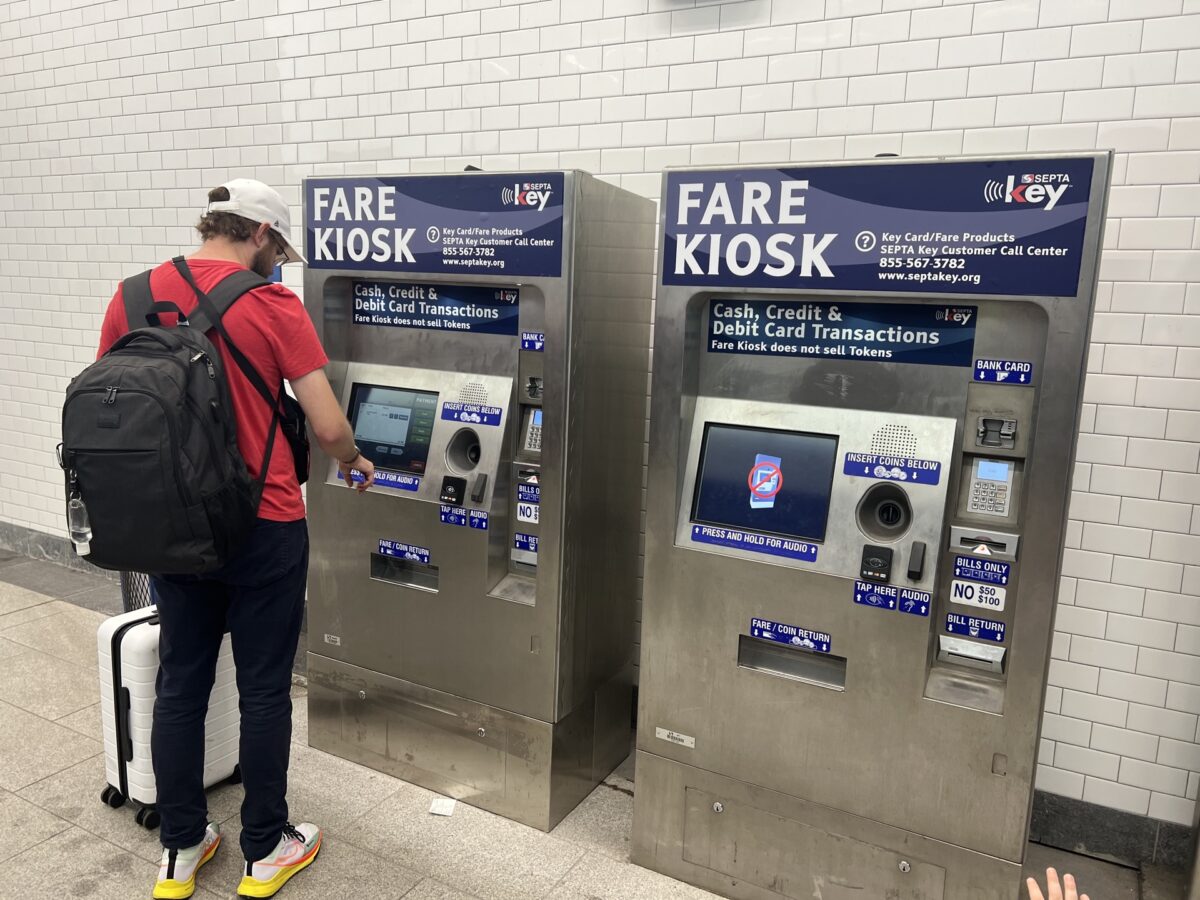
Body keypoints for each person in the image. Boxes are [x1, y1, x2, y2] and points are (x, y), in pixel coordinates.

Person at [97, 179, 376, 899]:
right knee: (263, 690)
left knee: (181, 684)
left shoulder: (128, 297)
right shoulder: (272, 304)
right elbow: (327, 423)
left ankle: (181, 849)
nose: (279, 261)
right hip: (265, 525)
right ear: (258, 234)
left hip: (172, 529)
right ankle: (265, 848)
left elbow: (114, 408)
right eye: (278, 248)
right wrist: (352, 461)